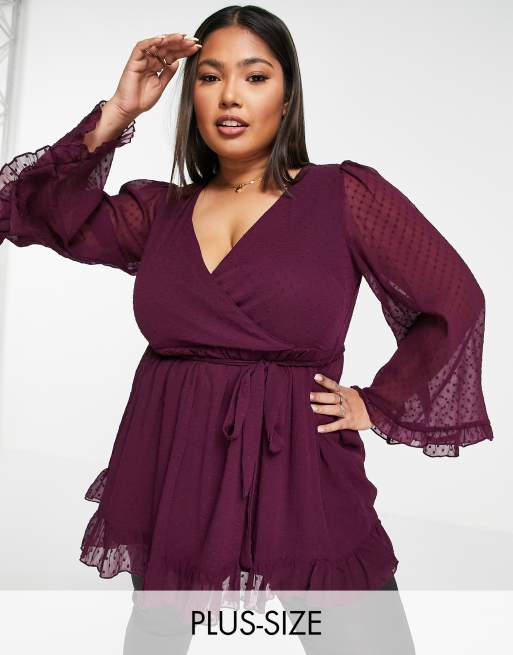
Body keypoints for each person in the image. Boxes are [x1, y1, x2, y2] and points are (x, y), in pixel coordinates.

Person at [0, 5, 493, 654]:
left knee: (361, 640)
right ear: (191, 97)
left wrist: (376, 403)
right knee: (157, 638)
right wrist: (118, 111)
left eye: (254, 76)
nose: (229, 95)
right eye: (209, 77)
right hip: (171, 463)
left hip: (301, 466)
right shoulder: (158, 212)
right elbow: (29, 208)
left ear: (286, 97)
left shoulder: (344, 197)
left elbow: (454, 300)